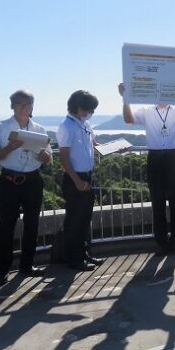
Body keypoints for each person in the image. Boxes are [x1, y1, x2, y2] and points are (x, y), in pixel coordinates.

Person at [119, 83, 175, 255]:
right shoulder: (147, 111)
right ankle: (161, 244)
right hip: (155, 158)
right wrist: (125, 99)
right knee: (158, 204)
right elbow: (128, 119)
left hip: (174, 157)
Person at [0, 90, 53, 285]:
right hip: (9, 180)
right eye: (20, 104)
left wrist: (42, 154)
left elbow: (48, 159)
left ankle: (27, 265)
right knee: (6, 225)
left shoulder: (40, 129)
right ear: (12, 106)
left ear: (32, 106)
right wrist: (10, 148)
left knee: (32, 224)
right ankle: (2, 269)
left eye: (28, 104)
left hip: (33, 180)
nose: (24, 108)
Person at [57, 90, 101, 272]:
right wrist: (76, 180)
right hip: (75, 177)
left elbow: (94, 146)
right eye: (89, 109)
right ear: (78, 107)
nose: (91, 112)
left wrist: (115, 147)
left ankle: (84, 253)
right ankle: (74, 259)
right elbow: (64, 156)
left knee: (85, 219)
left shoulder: (85, 124)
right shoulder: (66, 126)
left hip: (87, 175)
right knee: (75, 220)